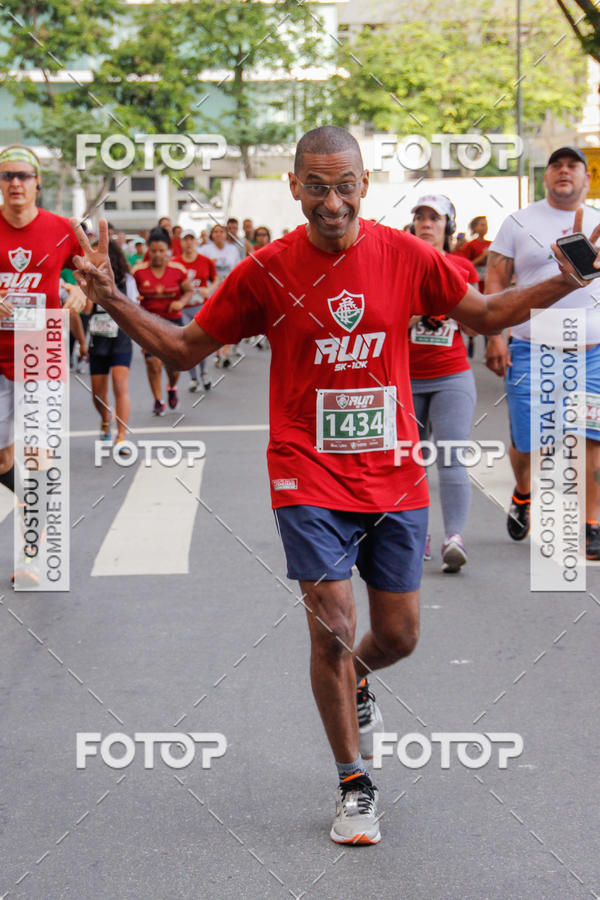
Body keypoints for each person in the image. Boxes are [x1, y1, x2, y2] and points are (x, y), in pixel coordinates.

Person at [71, 126, 591, 846]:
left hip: (394, 474)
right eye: (316, 186)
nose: (332, 201)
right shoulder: (265, 270)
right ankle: (354, 782)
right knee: (334, 628)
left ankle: (356, 679)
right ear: (294, 187)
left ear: (364, 185)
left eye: (344, 185)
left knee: (399, 636)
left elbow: (486, 313)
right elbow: (184, 349)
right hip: (305, 469)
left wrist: (566, 280)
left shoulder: (408, 256)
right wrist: (109, 298)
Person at [484, 146, 600, 558]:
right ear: (546, 176)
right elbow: (495, 280)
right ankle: (523, 491)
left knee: (590, 434)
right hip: (532, 347)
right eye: (557, 165)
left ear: (587, 177)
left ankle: (591, 524)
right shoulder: (519, 221)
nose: (564, 171)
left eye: (573, 165)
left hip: (592, 349)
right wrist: (495, 335)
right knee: (529, 439)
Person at [0, 143, 85, 585]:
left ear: (37, 183)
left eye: (23, 176)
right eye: (7, 176)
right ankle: (40, 508)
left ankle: (31, 552)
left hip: (41, 348)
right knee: (2, 460)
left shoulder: (62, 229)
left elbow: (89, 279)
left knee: (37, 455)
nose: (15, 183)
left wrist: (77, 295)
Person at [408, 195, 480, 571]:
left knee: (451, 457)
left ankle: (454, 538)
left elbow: (475, 323)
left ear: (449, 227)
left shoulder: (462, 266)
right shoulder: (400, 264)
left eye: (434, 218)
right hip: (404, 378)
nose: (426, 223)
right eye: (420, 217)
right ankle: (417, 535)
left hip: (452, 374)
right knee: (408, 461)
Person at [132, 227, 192, 414]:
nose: (158, 255)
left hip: (173, 322)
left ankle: (172, 387)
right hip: (149, 324)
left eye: (161, 251)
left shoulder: (178, 270)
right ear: (149, 250)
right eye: (154, 251)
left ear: (168, 251)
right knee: (153, 363)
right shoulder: (138, 272)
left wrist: (180, 302)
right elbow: (130, 297)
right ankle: (158, 401)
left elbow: (189, 291)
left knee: (174, 365)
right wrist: (137, 301)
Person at [87, 240, 138, 455]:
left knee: (119, 383)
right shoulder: (89, 278)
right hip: (98, 338)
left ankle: (122, 436)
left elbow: (135, 308)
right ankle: (105, 419)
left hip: (121, 337)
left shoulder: (127, 280)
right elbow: (86, 309)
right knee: (98, 392)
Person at [172, 229, 217, 391]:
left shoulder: (205, 261)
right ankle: (193, 377)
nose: (189, 242)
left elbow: (215, 278)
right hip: (183, 308)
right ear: (181, 242)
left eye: (192, 239)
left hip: (201, 306)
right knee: (187, 342)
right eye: (186, 239)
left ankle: (204, 371)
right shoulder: (175, 263)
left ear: (196, 242)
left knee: (201, 341)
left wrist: (209, 289)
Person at [200, 224, 241, 367]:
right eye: (215, 232)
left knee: (230, 322)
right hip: (213, 291)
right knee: (216, 323)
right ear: (212, 235)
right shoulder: (205, 250)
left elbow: (237, 269)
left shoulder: (233, 249)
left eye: (221, 232)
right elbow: (201, 270)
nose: (218, 234)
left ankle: (226, 353)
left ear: (226, 234)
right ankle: (217, 352)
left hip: (230, 290)